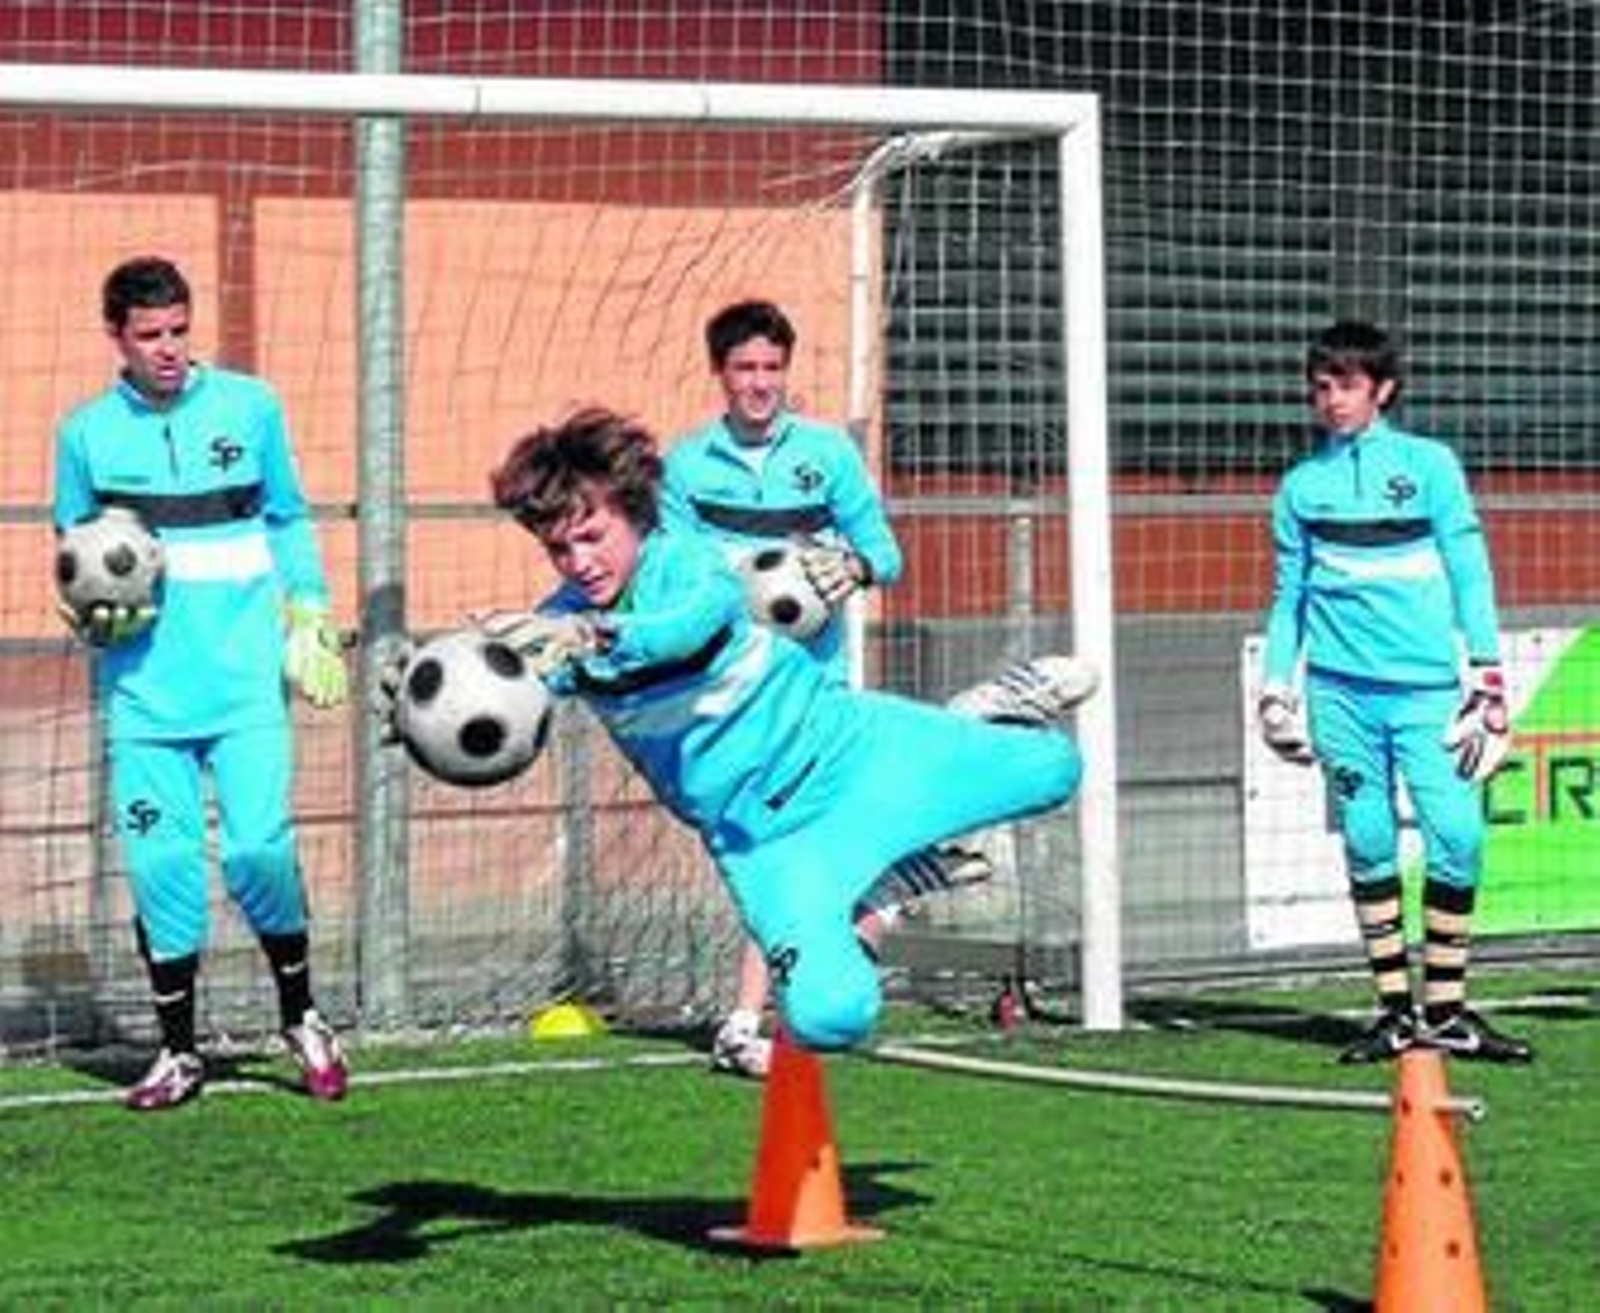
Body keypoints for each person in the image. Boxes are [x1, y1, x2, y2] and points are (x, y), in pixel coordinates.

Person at [384, 406, 1094, 1056]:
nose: (580, 563)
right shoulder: (559, 629)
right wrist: (427, 715)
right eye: (559, 550)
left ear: (634, 515)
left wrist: (590, 636)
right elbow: (511, 695)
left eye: (592, 536)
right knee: (830, 1018)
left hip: (846, 749)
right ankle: (889, 880)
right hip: (765, 842)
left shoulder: (686, 565)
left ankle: (971, 716)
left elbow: (688, 626)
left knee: (1056, 768)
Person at [53, 256, 353, 1110]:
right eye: (150, 335)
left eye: (180, 330)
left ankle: (302, 1016)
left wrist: (309, 610)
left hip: (245, 684)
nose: (170, 349)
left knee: (260, 849)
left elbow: (287, 517)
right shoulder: (84, 435)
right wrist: (91, 616)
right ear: (118, 337)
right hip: (145, 696)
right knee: (163, 865)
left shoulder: (250, 408)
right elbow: (75, 556)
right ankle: (178, 1053)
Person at [662, 298, 990, 1077]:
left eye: (772, 368)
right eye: (745, 368)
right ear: (721, 374)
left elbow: (886, 552)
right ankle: (897, 879)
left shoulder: (827, 455)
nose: (760, 383)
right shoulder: (686, 464)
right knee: (772, 846)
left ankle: (752, 1018)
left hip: (812, 682)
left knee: (775, 841)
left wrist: (853, 566)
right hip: (731, 687)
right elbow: (674, 570)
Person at [1258, 319, 1531, 1065]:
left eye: (1347, 384)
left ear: (1382, 389)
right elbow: (1290, 600)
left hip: (1429, 694)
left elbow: (1470, 574)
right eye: (1321, 386)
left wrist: (1489, 675)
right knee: (1369, 838)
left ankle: (1446, 1010)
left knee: (1459, 836)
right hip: (1341, 696)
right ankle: (1392, 1012)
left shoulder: (1431, 467)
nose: (1332, 400)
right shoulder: (1300, 487)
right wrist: (1274, 689)